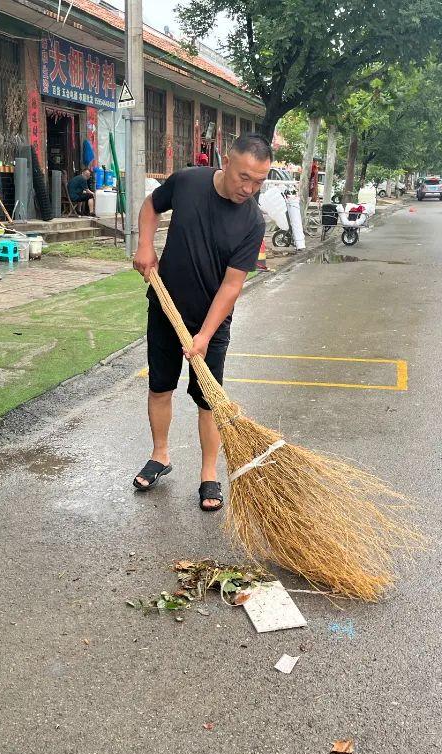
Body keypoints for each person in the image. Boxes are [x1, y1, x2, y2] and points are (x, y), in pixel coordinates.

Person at [131, 133, 270, 511]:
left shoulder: (253, 221)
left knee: (209, 401)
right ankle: (160, 455)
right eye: (244, 177)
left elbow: (232, 285)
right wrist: (145, 245)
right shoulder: (188, 181)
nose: (250, 188)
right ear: (226, 163)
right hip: (164, 305)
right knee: (160, 386)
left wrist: (205, 335)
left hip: (211, 321)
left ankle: (209, 474)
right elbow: (150, 206)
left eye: (259, 181)